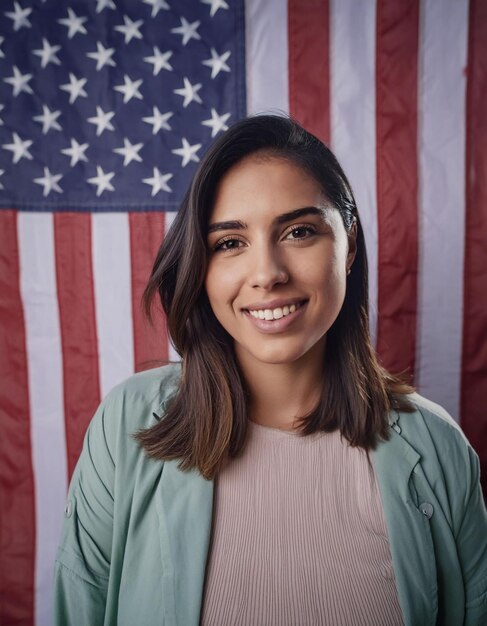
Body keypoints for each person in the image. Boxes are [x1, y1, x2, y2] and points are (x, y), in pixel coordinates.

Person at [53, 115, 487, 626]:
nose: (268, 274)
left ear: (347, 244)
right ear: (200, 264)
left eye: (299, 231)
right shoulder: (125, 427)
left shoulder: (438, 447)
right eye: (230, 243)